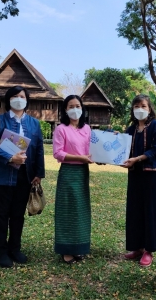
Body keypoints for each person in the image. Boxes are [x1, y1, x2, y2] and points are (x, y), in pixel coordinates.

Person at [0, 86, 45, 268]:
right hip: (1, 176)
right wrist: (10, 157)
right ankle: (1, 251)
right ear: (8, 99)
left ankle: (15, 248)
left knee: (18, 215)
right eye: (15, 96)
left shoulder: (34, 124)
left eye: (22, 96)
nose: (19, 99)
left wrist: (38, 173)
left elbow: (39, 149)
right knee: (1, 214)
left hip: (24, 176)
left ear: (27, 100)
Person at [121, 94, 156, 267]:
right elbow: (122, 149)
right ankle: (137, 247)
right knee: (135, 211)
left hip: (153, 176)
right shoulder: (130, 129)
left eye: (143, 106)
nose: (139, 109)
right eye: (136, 106)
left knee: (151, 211)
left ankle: (149, 250)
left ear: (150, 109)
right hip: (135, 175)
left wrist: (138, 158)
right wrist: (114, 141)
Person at [52, 95, 93, 264]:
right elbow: (58, 153)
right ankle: (66, 249)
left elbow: (95, 149)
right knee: (67, 209)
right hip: (68, 172)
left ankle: (79, 247)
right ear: (65, 110)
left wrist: (112, 140)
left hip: (83, 172)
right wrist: (80, 157)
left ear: (82, 108)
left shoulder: (87, 129)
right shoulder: (61, 129)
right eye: (71, 106)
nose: (75, 109)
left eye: (77, 105)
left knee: (81, 210)